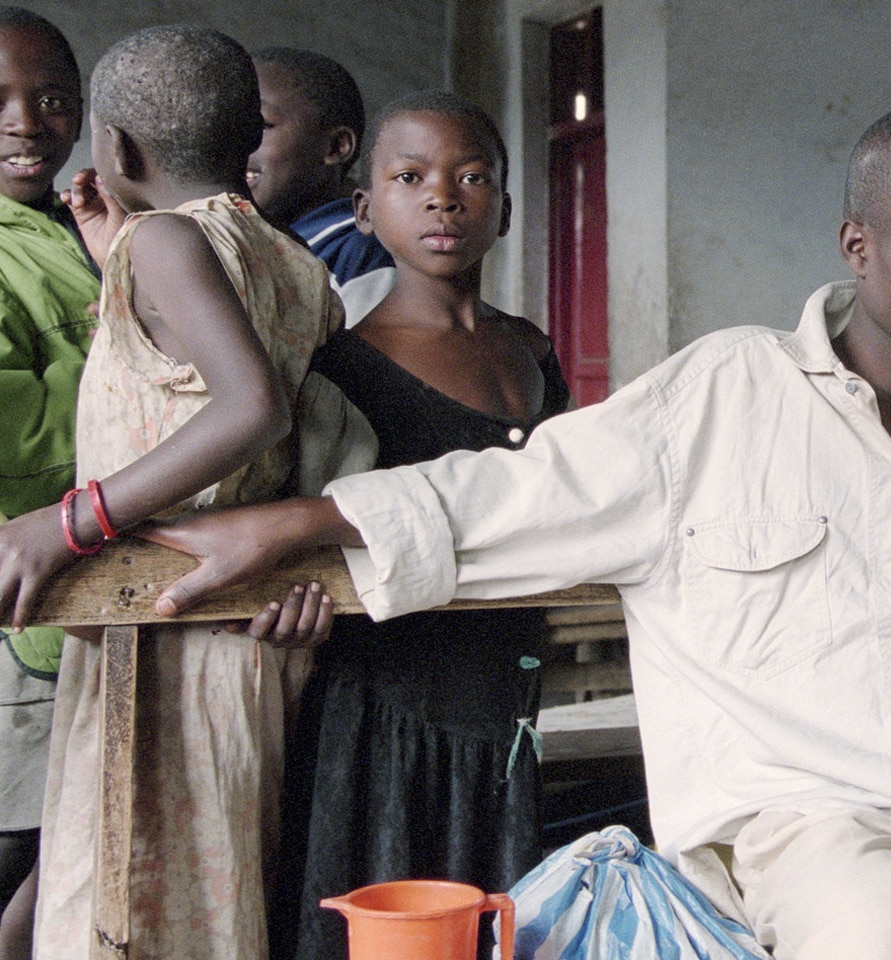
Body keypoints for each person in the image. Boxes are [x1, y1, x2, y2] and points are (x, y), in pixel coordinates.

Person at [138, 102, 891, 960]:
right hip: (819, 828)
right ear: (859, 250)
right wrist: (289, 523)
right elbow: (504, 493)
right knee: (881, 936)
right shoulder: (723, 396)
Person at [0, 25, 345, 959]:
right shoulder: (295, 263)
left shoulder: (162, 243)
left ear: (116, 150)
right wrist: (126, 253)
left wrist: (71, 521)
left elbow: (248, 407)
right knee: (206, 898)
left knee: (117, 897)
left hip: (161, 631)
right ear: (250, 140)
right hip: (235, 639)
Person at [269, 92, 570, 960]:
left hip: (505, 705)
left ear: (505, 209)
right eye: (411, 178)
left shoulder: (532, 350)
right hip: (382, 716)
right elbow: (317, 519)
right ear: (367, 209)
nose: (445, 198)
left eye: (472, 177)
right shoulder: (344, 363)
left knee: (490, 924)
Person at [0, 9, 93, 957]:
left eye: (53, 99)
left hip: (91, 602)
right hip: (20, 616)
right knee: (22, 846)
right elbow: (24, 443)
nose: (27, 123)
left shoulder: (74, 226)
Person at [248, 46, 394, 325]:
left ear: (336, 146)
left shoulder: (359, 254)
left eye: (261, 125)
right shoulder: (245, 240)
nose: (237, 141)